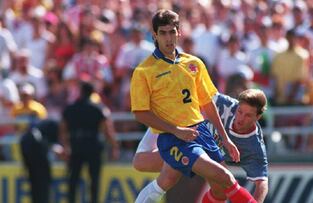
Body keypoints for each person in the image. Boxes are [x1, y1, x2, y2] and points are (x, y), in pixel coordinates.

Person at [130, 9, 256, 203]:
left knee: (218, 188)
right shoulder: (144, 70)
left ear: (179, 32)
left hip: (200, 131)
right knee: (225, 178)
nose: (168, 38)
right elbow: (140, 113)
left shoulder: (194, 63)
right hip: (174, 137)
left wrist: (225, 139)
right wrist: (176, 130)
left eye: (172, 32)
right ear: (154, 35)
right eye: (163, 33)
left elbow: (207, 103)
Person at [134, 89, 269, 203]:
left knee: (220, 190)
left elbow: (262, 183)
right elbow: (190, 97)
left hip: (205, 153)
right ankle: (157, 127)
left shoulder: (254, 145)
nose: (240, 118)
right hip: (184, 135)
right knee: (142, 164)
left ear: (258, 117)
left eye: (248, 115)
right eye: (240, 111)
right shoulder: (224, 104)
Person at [59, 81, 119, 203]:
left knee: (73, 180)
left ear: (81, 92)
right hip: (93, 146)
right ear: (92, 93)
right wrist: (114, 147)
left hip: (75, 145)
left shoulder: (70, 108)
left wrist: (65, 146)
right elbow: (107, 130)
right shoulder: (98, 108)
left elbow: (63, 130)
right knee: (94, 181)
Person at [20, 119, 63, 203]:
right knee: (42, 181)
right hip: (34, 149)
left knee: (36, 182)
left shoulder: (46, 128)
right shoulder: (53, 126)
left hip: (29, 146)